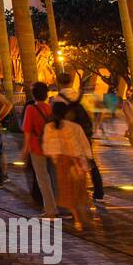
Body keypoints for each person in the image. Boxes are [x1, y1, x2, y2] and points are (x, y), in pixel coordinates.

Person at [43, 101, 95, 231]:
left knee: (68, 192)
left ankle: (77, 220)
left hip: (61, 163)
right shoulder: (75, 127)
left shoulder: (49, 127)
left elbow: (47, 148)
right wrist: (88, 159)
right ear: (67, 113)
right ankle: (83, 217)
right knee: (80, 190)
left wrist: (55, 158)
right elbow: (84, 145)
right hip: (77, 162)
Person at [53, 72, 104, 202]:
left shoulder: (57, 99)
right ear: (71, 81)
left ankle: (78, 193)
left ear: (58, 82)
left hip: (70, 135)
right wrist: (95, 128)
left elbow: (57, 120)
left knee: (71, 164)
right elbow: (95, 113)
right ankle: (99, 193)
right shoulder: (83, 96)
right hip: (85, 134)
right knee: (90, 162)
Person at [22, 82, 58, 218]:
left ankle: (50, 211)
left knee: (43, 179)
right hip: (51, 146)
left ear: (34, 94)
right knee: (52, 177)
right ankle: (55, 207)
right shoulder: (49, 108)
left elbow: (27, 131)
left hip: (37, 147)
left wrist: (24, 151)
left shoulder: (31, 109)